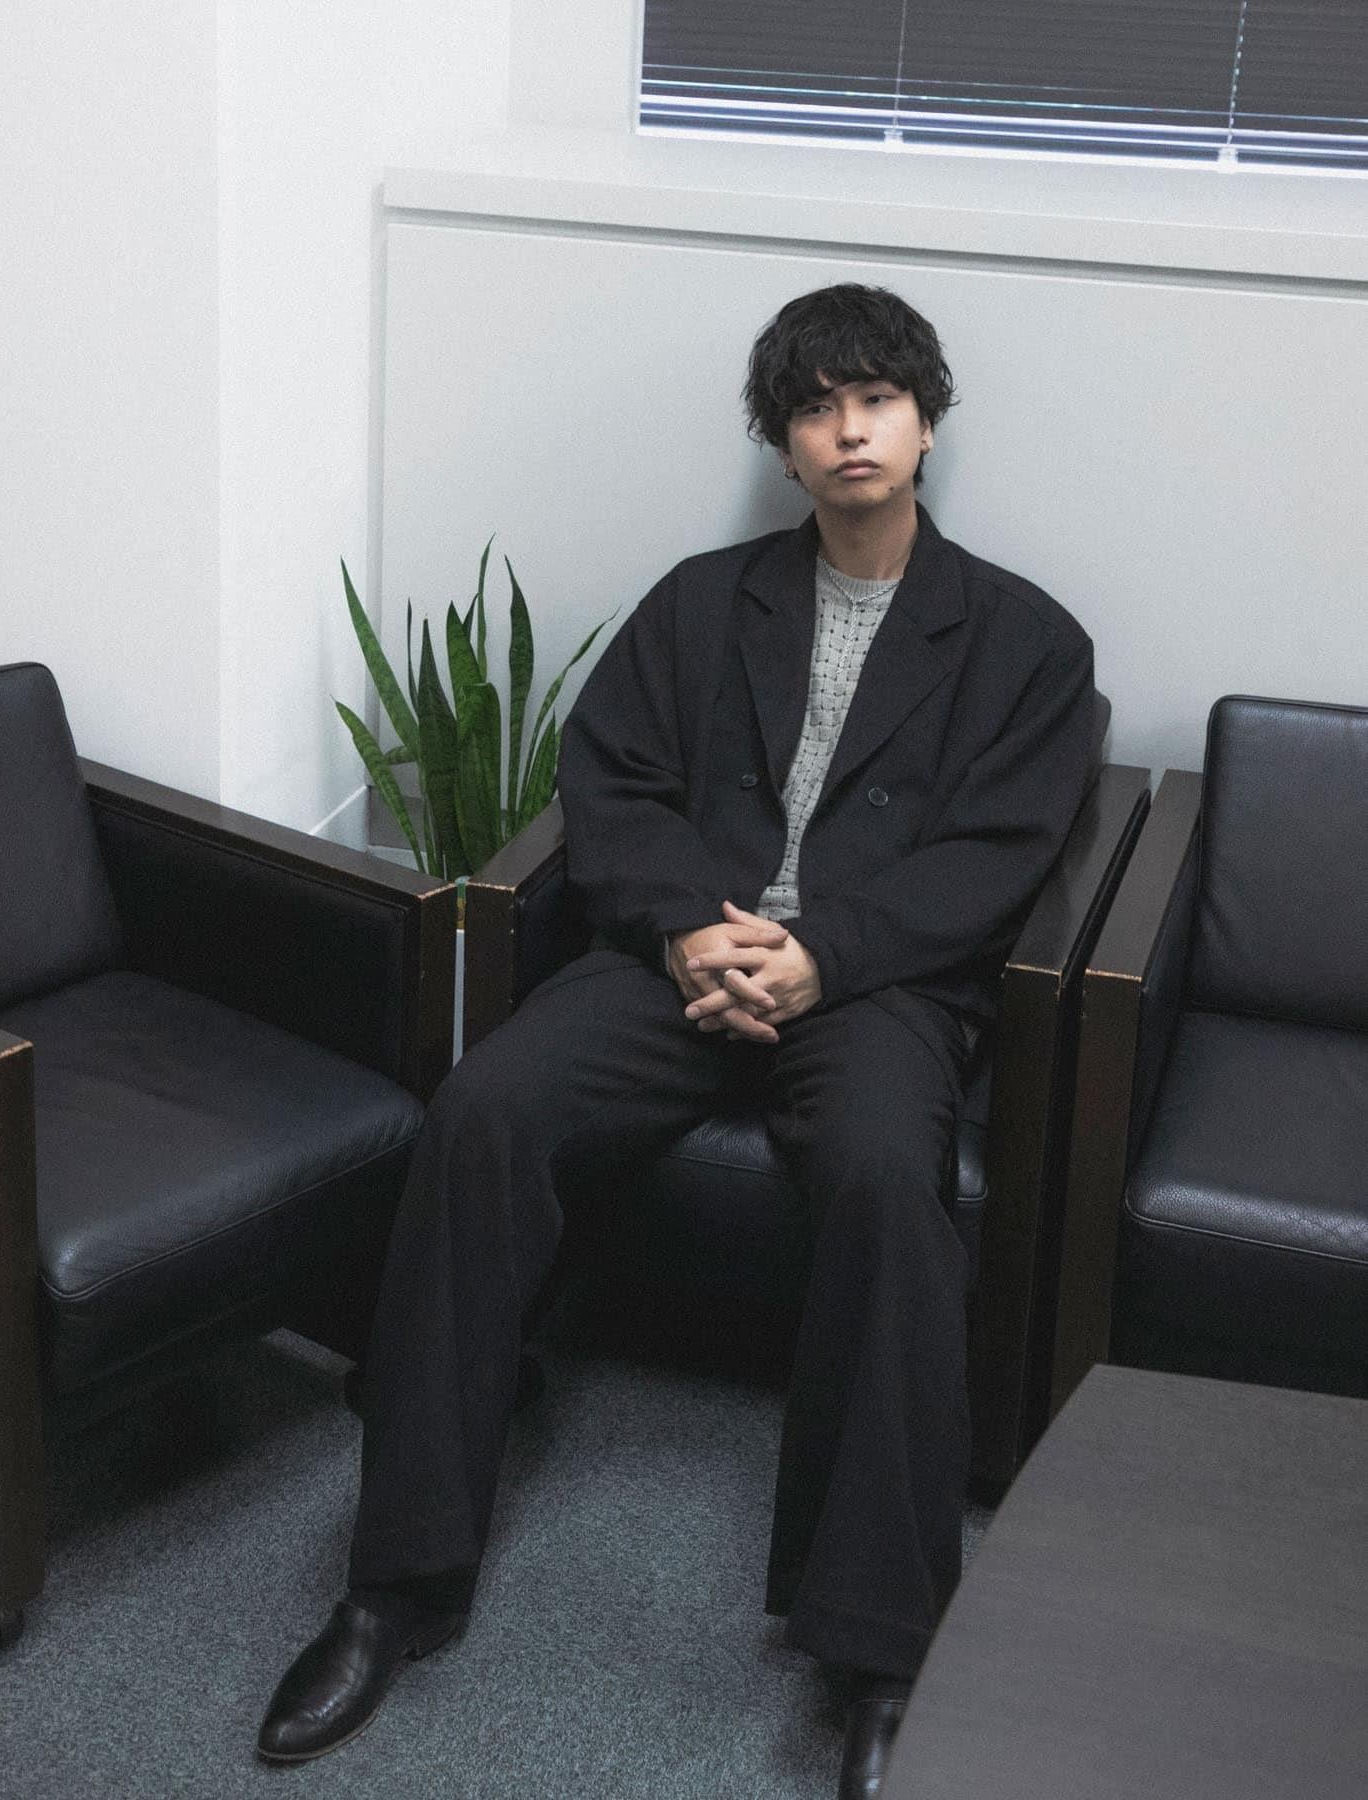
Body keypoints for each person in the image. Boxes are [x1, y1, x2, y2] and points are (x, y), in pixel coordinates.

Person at [257, 283, 1096, 1798]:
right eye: (817, 407)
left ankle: (880, 1652)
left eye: (879, 399)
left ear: (927, 422)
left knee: (888, 1188)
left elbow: (998, 856)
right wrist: (686, 933)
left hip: (879, 988)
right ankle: (397, 1584)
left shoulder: (1026, 641)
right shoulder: (704, 605)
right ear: (784, 443)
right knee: (484, 1111)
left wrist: (825, 956)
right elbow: (611, 786)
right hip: (680, 960)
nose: (850, 429)